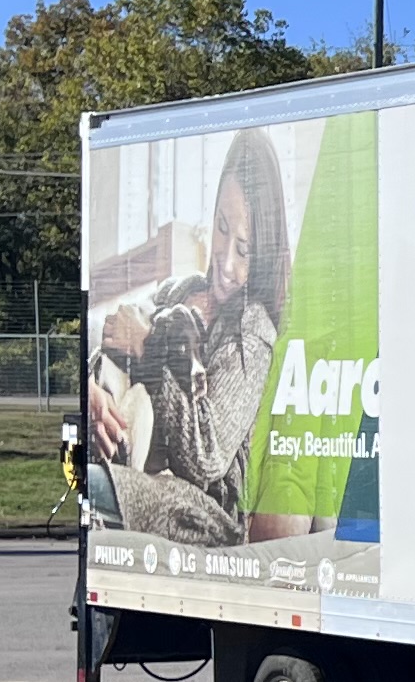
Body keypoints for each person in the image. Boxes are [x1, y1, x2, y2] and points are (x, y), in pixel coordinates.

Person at [87, 134, 288, 546]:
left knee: (95, 486)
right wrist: (90, 394)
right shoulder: (177, 291)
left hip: (196, 507)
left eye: (244, 249)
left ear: (264, 253)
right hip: (132, 459)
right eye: (221, 228)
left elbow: (206, 457)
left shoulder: (252, 330)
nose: (226, 262)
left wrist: (147, 346)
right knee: (88, 482)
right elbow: (111, 337)